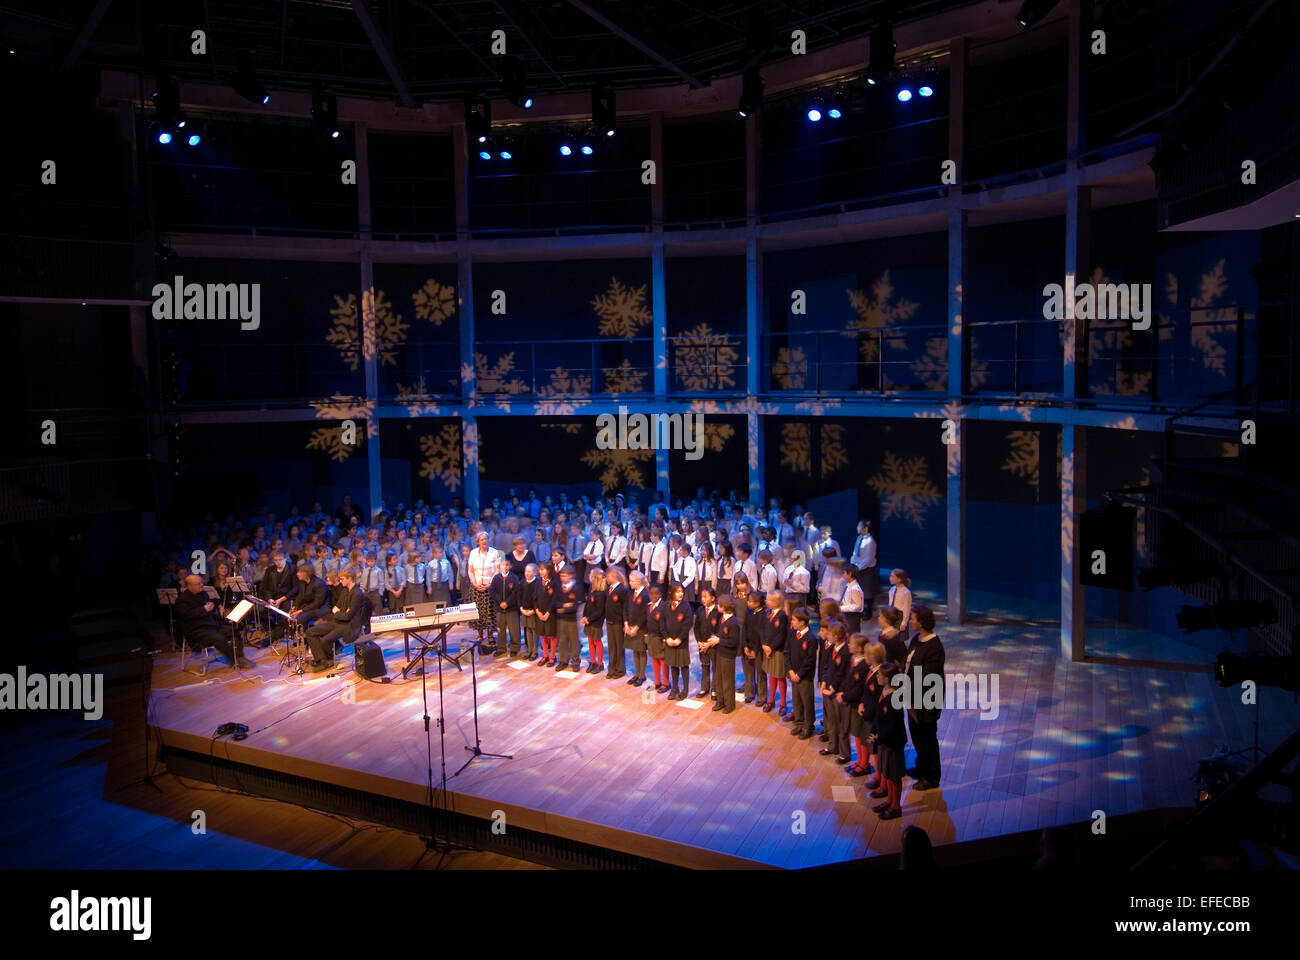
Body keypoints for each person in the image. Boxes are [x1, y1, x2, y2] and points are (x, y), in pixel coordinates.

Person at [905, 605, 945, 791]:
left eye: (913, 618)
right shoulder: (916, 639)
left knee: (927, 739)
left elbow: (927, 678)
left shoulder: (934, 647)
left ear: (921, 622)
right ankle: (921, 768)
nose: (910, 621)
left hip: (926, 701)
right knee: (917, 737)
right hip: (911, 698)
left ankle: (931, 777)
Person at [175, 574, 250, 667]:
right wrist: (204, 609)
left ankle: (239, 657)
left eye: (201, 582)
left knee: (234, 629)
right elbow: (186, 615)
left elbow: (210, 611)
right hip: (196, 630)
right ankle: (234, 660)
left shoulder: (203, 593)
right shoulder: (182, 600)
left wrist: (217, 611)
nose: (202, 585)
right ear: (190, 586)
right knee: (219, 638)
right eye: (198, 583)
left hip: (211, 625)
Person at [305, 568, 366, 671]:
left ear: (349, 579)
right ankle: (322, 660)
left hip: (349, 626)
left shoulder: (357, 594)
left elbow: (348, 616)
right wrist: (341, 612)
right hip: (338, 622)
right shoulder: (344, 591)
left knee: (325, 640)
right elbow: (336, 608)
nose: (340, 581)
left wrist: (338, 612)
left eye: (342, 579)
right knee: (310, 632)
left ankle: (327, 660)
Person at [871, 660, 905, 820]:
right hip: (884, 741)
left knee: (894, 775)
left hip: (892, 743)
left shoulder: (895, 698)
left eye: (879, 674)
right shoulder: (884, 691)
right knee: (887, 772)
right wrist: (874, 732)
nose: (876, 676)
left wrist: (879, 737)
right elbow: (879, 717)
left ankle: (896, 806)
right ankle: (889, 800)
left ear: (887, 678)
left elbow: (893, 725)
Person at [819, 621, 852, 764]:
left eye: (830, 634)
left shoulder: (845, 652)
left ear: (837, 636)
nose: (827, 635)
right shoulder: (832, 648)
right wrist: (824, 682)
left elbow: (842, 674)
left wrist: (832, 688)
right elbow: (827, 667)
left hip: (838, 692)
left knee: (842, 724)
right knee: (831, 720)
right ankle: (833, 746)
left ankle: (845, 753)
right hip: (829, 689)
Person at [842, 634, 874, 777]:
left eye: (852, 644)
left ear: (860, 648)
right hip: (851, 703)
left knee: (862, 734)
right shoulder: (852, 660)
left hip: (859, 705)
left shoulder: (864, 666)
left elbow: (861, 688)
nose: (849, 645)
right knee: (856, 733)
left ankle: (865, 764)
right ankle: (860, 761)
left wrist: (845, 696)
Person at [786, 607, 817, 737]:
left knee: (806, 702)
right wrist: (791, 671)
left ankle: (808, 726)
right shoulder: (793, 634)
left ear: (802, 622)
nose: (791, 622)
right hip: (794, 675)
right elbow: (786, 652)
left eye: (794, 620)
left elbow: (810, 661)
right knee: (796, 700)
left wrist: (799, 674)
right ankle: (799, 723)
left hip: (804, 677)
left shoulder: (811, 638)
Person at [468, 532, 502, 650]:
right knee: (479, 612)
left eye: (486, 539)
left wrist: (489, 584)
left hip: (490, 586)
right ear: (478, 541)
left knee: (489, 611)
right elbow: (471, 571)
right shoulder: (473, 553)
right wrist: (475, 584)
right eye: (481, 539)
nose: (484, 541)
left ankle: (490, 635)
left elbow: (497, 571)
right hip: (476, 587)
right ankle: (480, 634)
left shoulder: (494, 553)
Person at [761, 590, 789, 716]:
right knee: (772, 675)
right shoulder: (768, 613)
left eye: (770, 600)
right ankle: (771, 700)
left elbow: (782, 635)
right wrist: (764, 645)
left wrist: (771, 647)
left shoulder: (782, 616)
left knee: (780, 676)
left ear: (777, 603)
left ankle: (783, 703)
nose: (767, 602)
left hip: (777, 651)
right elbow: (763, 630)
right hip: (767, 649)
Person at [663, 583, 693, 701]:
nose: (680, 593)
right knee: (673, 665)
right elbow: (662, 623)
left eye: (682, 591)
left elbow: (687, 625)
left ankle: (685, 689)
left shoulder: (686, 607)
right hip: (670, 642)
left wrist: (679, 639)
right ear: (672, 593)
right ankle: (674, 688)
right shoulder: (666, 606)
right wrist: (667, 638)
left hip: (682, 643)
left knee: (683, 665)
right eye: (677, 591)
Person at [711, 595, 740, 714]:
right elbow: (721, 634)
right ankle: (720, 700)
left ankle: (729, 704)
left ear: (724, 607)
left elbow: (733, 642)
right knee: (719, 678)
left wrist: (719, 641)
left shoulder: (733, 623)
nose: (717, 606)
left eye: (719, 605)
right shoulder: (722, 618)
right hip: (720, 653)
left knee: (727, 680)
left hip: (728, 655)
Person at [260, 550, 297, 640]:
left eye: (280, 560)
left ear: (285, 559)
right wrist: (269, 599)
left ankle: (275, 635)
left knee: (284, 614)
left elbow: (295, 589)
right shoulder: (269, 570)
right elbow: (265, 588)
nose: (278, 562)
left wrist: (281, 600)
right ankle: (274, 631)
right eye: (276, 560)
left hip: (287, 598)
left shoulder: (292, 569)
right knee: (261, 614)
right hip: (273, 598)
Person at [692, 586, 721, 699]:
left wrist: (709, 643)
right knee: (704, 666)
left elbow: (719, 629)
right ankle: (704, 688)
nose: (703, 599)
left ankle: (715, 690)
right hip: (702, 645)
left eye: (705, 597)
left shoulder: (718, 611)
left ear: (713, 598)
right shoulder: (700, 610)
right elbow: (696, 627)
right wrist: (699, 642)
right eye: (702, 597)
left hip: (713, 646)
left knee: (715, 667)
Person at [490, 557, 521, 658]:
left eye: (507, 565)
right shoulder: (496, 578)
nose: (505, 567)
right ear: (499, 566)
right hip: (500, 609)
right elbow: (492, 591)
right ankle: (501, 648)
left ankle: (514, 648)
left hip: (511, 609)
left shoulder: (514, 578)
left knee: (514, 629)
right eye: (503, 565)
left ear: (510, 566)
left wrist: (507, 603)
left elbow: (516, 593)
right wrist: (500, 602)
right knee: (500, 629)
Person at [554, 565, 582, 672]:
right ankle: (563, 661)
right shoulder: (558, 587)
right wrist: (565, 605)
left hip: (572, 620)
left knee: (574, 641)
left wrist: (563, 608)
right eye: (561, 576)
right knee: (562, 640)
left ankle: (575, 662)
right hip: (560, 619)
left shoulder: (576, 588)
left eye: (565, 576)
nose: (562, 578)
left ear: (571, 576)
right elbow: (555, 602)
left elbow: (575, 606)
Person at [623, 570, 649, 687]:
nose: (629, 583)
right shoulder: (630, 593)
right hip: (630, 626)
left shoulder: (645, 595)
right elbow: (625, 609)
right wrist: (626, 624)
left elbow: (645, 614)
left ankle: (641, 675)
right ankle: (637, 674)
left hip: (641, 628)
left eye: (631, 581)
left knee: (641, 651)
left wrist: (636, 628)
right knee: (634, 650)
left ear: (638, 581)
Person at [740, 590, 765, 706]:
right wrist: (745, 646)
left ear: (757, 603)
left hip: (758, 650)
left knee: (760, 673)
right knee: (748, 672)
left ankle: (762, 696)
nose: (748, 603)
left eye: (750, 601)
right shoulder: (749, 613)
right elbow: (744, 629)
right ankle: (749, 693)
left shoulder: (764, 615)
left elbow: (761, 634)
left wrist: (755, 650)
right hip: (747, 647)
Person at [288, 563, 329, 633]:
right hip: (308, 607)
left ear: (306, 573)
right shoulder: (302, 582)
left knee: (300, 617)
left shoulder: (319, 584)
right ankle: (294, 635)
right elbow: (300, 597)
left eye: (299, 572)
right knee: (289, 615)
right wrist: (293, 608)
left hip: (320, 609)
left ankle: (306, 637)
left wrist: (300, 611)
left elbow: (317, 603)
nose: (297, 574)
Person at [849, 520, 879, 617]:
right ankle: (860, 610)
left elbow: (868, 559)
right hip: (858, 568)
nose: (857, 528)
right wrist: (852, 565)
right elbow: (855, 554)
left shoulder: (870, 542)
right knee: (859, 590)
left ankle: (867, 612)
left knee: (868, 592)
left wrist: (858, 567)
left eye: (859, 526)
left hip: (866, 570)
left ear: (865, 528)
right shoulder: (859, 538)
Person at [604, 566, 628, 679]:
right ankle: (611, 668)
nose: (606, 578)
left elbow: (625, 608)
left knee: (619, 647)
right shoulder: (608, 588)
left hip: (618, 622)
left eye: (607, 576)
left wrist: (625, 623)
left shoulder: (622, 590)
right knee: (611, 647)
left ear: (613, 576)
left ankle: (620, 669)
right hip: (609, 621)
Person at [583, 569, 607, 674]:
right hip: (588, 620)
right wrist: (584, 616)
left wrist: (589, 619)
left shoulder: (601, 593)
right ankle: (592, 661)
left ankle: (600, 663)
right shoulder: (591, 589)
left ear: (594, 578)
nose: (589, 576)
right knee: (590, 641)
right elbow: (587, 604)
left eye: (590, 575)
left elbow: (599, 611)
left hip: (596, 621)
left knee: (597, 641)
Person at [645, 583, 668, 693]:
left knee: (663, 660)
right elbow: (646, 621)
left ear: (660, 595)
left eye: (656, 594)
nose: (653, 596)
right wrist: (646, 634)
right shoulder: (648, 606)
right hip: (651, 637)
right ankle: (657, 682)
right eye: (651, 593)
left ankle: (666, 683)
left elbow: (665, 624)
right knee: (654, 659)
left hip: (660, 637)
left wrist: (664, 639)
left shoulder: (663, 607)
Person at [534, 562, 556, 667]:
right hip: (540, 613)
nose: (540, 571)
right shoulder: (538, 583)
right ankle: (545, 655)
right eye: (540, 569)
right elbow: (534, 598)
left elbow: (554, 600)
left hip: (550, 614)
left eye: (543, 569)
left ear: (549, 571)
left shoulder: (554, 583)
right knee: (542, 634)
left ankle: (552, 656)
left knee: (551, 635)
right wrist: (537, 610)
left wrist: (548, 612)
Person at [519, 562, 541, 661]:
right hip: (524, 610)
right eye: (526, 571)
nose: (527, 573)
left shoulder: (537, 583)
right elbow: (519, 596)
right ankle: (529, 650)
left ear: (535, 572)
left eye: (529, 571)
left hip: (533, 611)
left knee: (534, 630)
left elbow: (538, 599)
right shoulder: (522, 583)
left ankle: (535, 651)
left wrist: (533, 610)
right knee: (527, 630)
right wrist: (521, 608)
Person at [840, 564, 865, 634]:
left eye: (844, 573)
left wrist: (842, 608)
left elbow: (857, 606)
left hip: (852, 617)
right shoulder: (848, 585)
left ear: (850, 574)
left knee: (851, 635)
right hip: (847, 615)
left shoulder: (854, 588)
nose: (842, 574)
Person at [887, 569, 912, 633]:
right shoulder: (892, 589)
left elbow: (907, 609)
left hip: (900, 616)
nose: (890, 578)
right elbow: (890, 603)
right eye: (890, 576)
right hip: (892, 614)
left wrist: (904, 623)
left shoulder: (906, 592)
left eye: (892, 576)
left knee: (900, 637)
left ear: (899, 579)